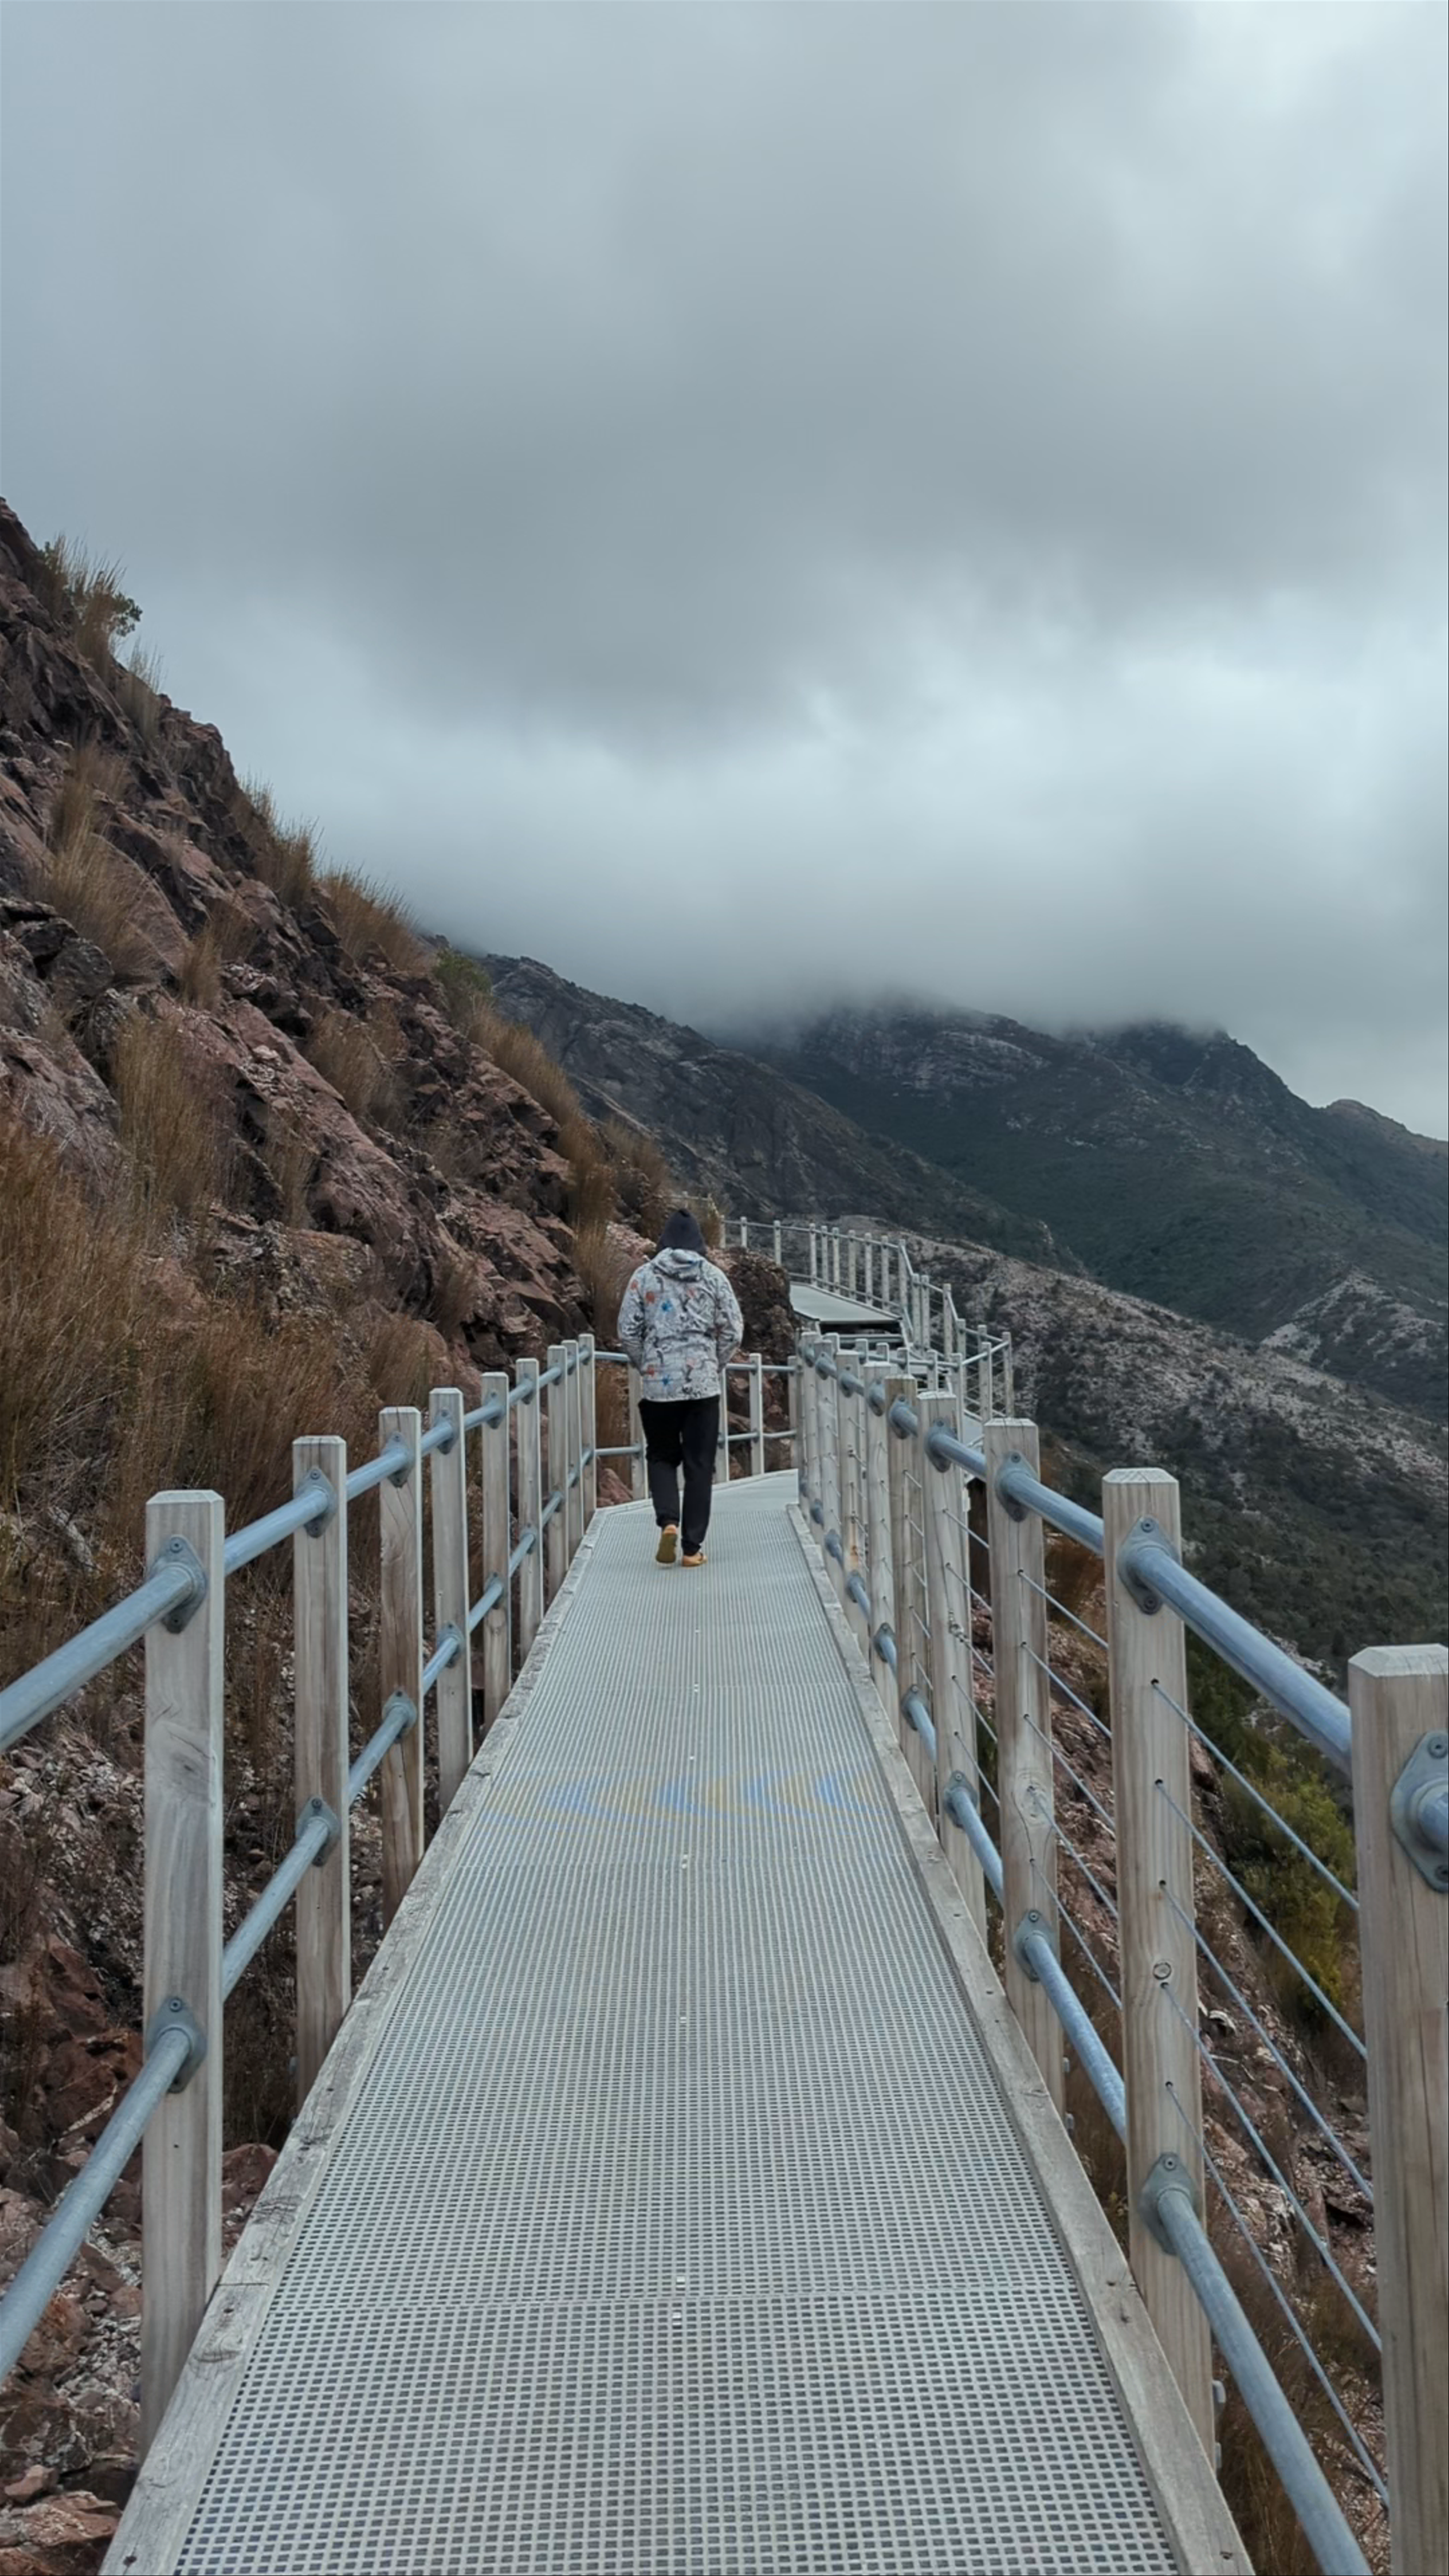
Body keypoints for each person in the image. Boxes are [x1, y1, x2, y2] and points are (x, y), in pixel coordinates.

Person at [617, 1209, 744, 1567]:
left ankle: (668, 1522)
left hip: (659, 1387)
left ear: (664, 1242)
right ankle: (692, 1549)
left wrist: (647, 1364)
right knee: (700, 1465)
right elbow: (733, 1330)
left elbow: (627, 1330)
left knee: (661, 1456)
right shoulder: (714, 1277)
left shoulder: (643, 1276)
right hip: (703, 1386)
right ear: (699, 1243)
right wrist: (713, 1364)